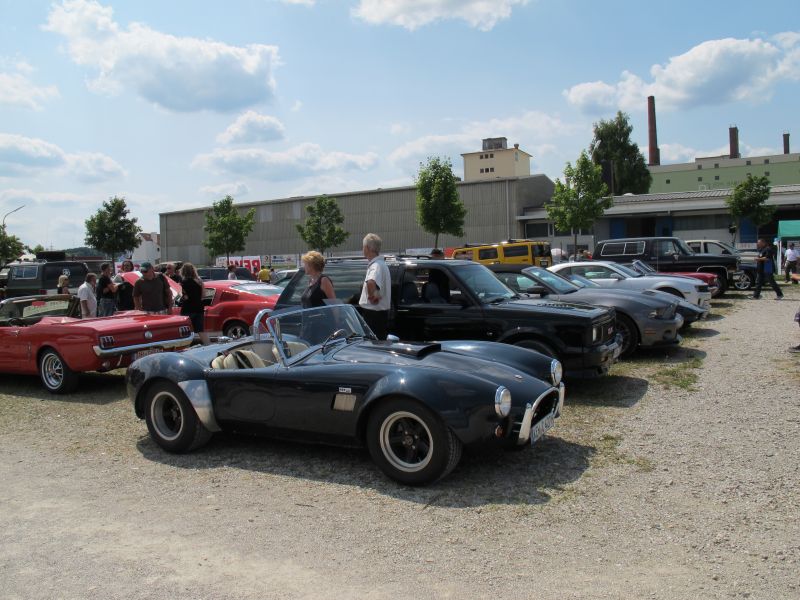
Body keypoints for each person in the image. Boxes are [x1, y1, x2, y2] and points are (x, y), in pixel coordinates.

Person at [359, 233, 391, 339]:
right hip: (379, 315)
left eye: (363, 247)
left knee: (373, 344)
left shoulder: (376, 265)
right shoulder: (381, 264)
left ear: (367, 248)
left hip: (373, 315)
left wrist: (371, 297)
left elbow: (371, 282)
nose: (362, 249)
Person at [179, 262, 209, 345]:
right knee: (200, 330)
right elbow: (204, 295)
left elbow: (185, 297)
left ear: (183, 271)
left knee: (186, 330)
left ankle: (186, 347)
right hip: (199, 307)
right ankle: (208, 345)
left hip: (187, 309)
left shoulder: (183, 283)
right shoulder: (199, 281)